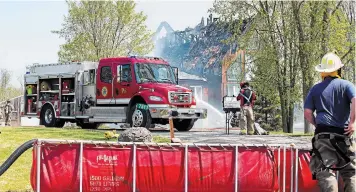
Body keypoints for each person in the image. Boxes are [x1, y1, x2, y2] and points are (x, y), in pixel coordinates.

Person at [304, 52, 355, 192]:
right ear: (338, 70)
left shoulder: (315, 89)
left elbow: (307, 113)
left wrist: (316, 125)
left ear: (322, 72)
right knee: (350, 172)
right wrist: (352, 123)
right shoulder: (346, 85)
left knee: (325, 171)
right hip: (344, 135)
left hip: (323, 135)